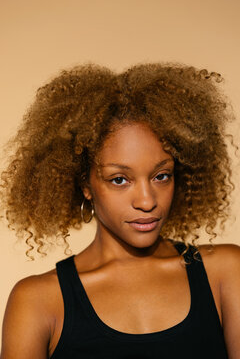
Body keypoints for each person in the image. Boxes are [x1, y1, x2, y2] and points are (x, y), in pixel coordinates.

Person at [0, 62, 240, 359]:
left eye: (161, 176)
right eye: (119, 180)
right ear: (85, 184)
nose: (147, 200)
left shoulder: (226, 272)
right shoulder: (39, 302)